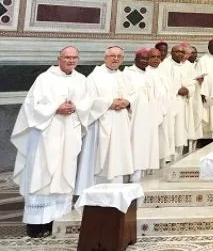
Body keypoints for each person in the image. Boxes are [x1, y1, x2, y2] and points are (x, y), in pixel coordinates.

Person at [12, 47, 87, 238]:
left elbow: (88, 104)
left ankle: (58, 219)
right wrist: (56, 108)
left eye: (74, 58)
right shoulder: (45, 79)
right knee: (42, 172)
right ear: (59, 59)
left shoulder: (81, 80)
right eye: (67, 57)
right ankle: (36, 225)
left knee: (64, 172)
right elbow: (32, 106)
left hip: (69, 133)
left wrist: (76, 107)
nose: (71, 60)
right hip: (47, 134)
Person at [75, 46, 133, 194]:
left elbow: (133, 95)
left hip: (120, 122)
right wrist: (109, 103)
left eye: (119, 56)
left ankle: (116, 189)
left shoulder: (124, 76)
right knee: (99, 158)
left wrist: (128, 102)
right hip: (101, 122)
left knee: (118, 156)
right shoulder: (95, 77)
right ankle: (95, 191)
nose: (116, 59)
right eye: (112, 56)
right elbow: (88, 100)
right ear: (105, 57)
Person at [124, 48, 161, 181]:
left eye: (147, 58)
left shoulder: (149, 75)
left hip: (149, 116)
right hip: (135, 116)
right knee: (136, 144)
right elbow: (126, 94)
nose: (145, 61)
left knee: (146, 144)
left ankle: (141, 171)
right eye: (142, 58)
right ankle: (133, 173)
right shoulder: (128, 73)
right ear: (135, 59)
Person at [147, 48, 173, 166]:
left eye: (158, 57)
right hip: (151, 112)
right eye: (153, 57)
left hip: (165, 109)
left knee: (163, 137)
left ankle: (161, 162)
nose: (157, 59)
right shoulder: (145, 73)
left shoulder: (163, 72)